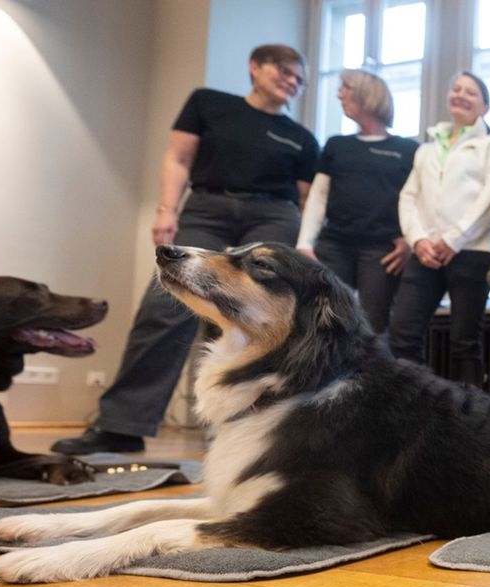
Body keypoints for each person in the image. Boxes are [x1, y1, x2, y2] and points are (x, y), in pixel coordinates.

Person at [54, 44, 318, 455]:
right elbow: (178, 158)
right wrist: (165, 210)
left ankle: (255, 430)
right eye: (285, 71)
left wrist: (304, 245)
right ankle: (121, 426)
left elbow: (305, 200)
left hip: (273, 216)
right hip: (209, 208)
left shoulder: (301, 137)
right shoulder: (209, 103)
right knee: (163, 309)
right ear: (255, 66)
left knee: (256, 317)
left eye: (299, 79)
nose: (293, 82)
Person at [390, 72, 490, 383]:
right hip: (425, 253)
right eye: (456, 89)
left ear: (485, 107)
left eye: (471, 92)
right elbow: (408, 197)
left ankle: (469, 419)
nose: (461, 95)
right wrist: (417, 241)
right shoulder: (426, 149)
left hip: (471, 253)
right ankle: (412, 406)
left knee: (463, 341)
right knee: (403, 334)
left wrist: (455, 238)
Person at [296, 69, 416, 335]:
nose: (339, 94)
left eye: (346, 88)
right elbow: (318, 197)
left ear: (369, 95)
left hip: (382, 253)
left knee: (373, 327)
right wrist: (304, 244)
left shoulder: (408, 150)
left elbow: (417, 201)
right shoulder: (337, 145)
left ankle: (371, 378)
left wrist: (410, 240)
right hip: (334, 246)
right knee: (324, 321)